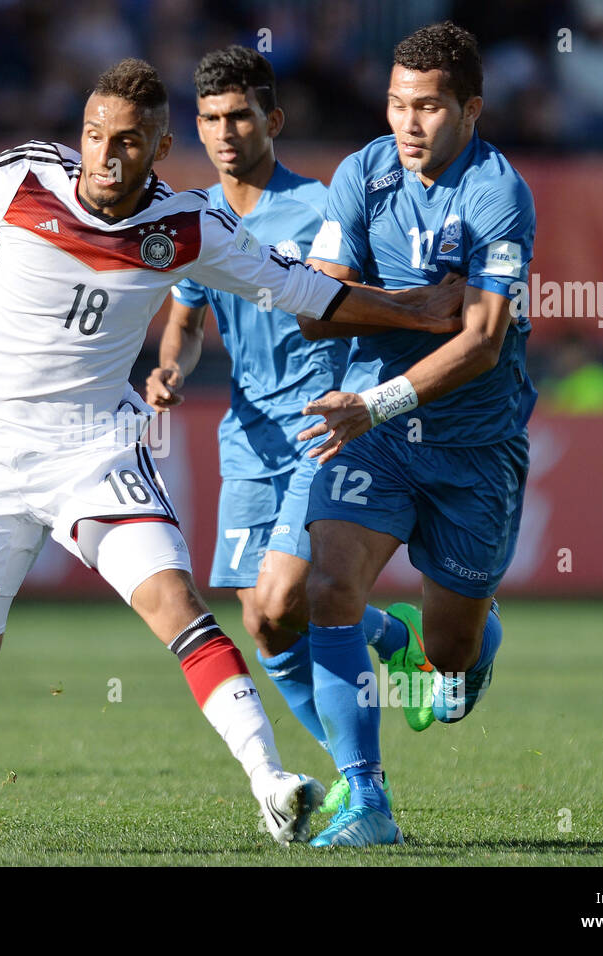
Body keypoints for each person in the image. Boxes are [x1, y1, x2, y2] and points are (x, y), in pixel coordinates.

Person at [0, 58, 461, 846]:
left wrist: (422, 312)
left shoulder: (189, 227)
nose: (105, 155)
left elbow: (310, 293)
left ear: (159, 149)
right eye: (95, 135)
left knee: (179, 607)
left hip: (92, 453)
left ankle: (273, 782)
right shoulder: (25, 178)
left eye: (127, 142)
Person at [145, 46, 402, 815]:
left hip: (323, 428)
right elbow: (185, 322)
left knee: (295, 593)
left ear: (273, 121)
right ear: (197, 125)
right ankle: (392, 644)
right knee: (263, 622)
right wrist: (172, 367)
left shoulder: (322, 208)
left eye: (240, 116)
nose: (226, 132)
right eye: (212, 119)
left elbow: (366, 305)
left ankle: (366, 793)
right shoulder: (197, 221)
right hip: (248, 439)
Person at [299, 22, 537, 846]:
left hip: (474, 445)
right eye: (398, 104)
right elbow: (314, 304)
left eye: (429, 107)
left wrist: (380, 390)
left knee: (449, 650)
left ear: (470, 108)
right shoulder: (362, 173)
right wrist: (409, 310)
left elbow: (480, 342)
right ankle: (366, 801)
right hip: (377, 434)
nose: (408, 123)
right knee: (323, 590)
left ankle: (464, 645)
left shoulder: (497, 193)